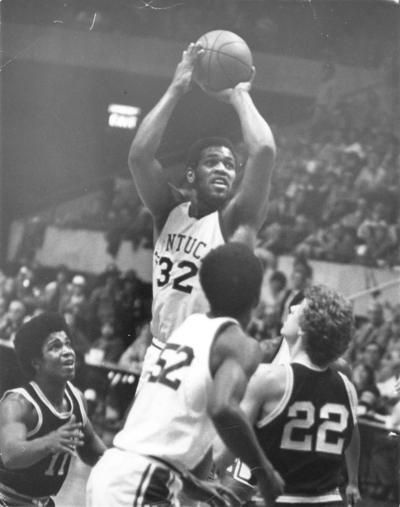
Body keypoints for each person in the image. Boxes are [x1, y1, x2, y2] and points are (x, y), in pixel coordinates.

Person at [86, 243, 283, 507]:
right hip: (141, 482)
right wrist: (265, 471)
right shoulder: (240, 344)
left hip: (118, 470)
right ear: (256, 299)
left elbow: (174, 416)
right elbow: (223, 408)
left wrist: (193, 485)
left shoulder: (189, 327)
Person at [128, 42, 276, 385]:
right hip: (160, 353)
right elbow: (139, 157)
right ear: (191, 174)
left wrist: (240, 95)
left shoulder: (236, 220)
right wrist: (177, 88)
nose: (224, 169)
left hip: (204, 358)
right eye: (213, 162)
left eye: (229, 164)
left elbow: (264, 150)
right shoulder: (168, 210)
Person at [219, 285, 361, 506]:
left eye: (297, 309)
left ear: (306, 327)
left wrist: (197, 475)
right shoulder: (347, 387)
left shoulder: (269, 379)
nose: (292, 309)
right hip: (329, 499)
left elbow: (228, 447)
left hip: (281, 497)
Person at [0, 312, 106, 506]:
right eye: (55, 347)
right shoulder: (18, 404)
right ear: (36, 362)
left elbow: (91, 450)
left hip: (44, 502)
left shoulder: (77, 399)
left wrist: (123, 464)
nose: (68, 351)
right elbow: (11, 456)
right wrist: (50, 441)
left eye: (68, 344)